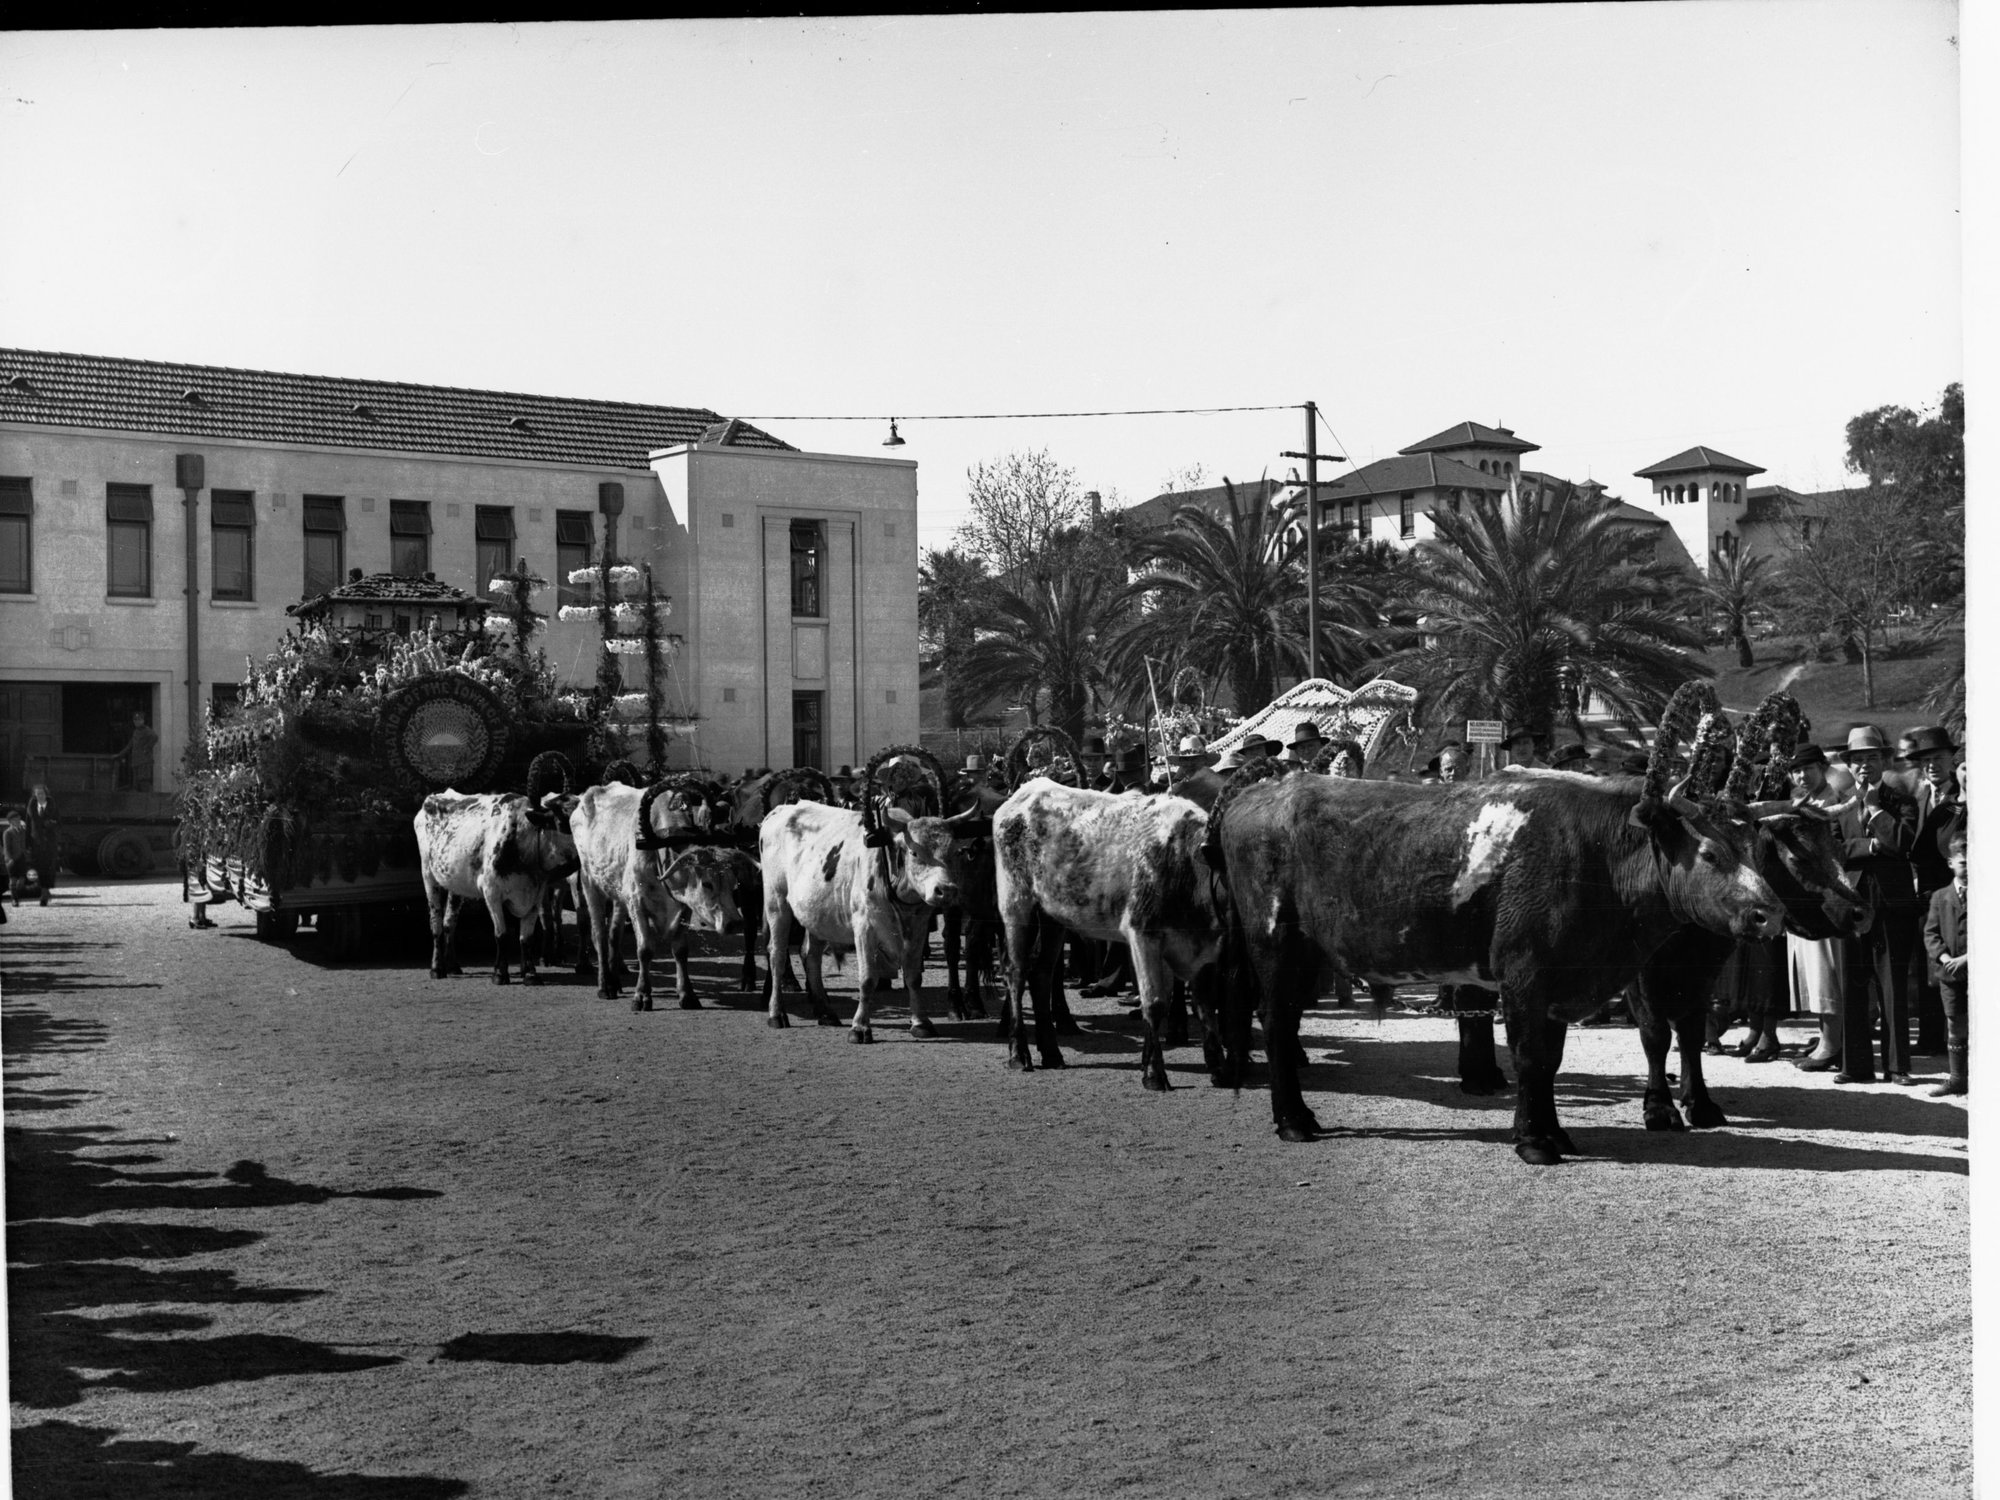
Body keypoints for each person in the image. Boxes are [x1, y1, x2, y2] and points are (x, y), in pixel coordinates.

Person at [1835, 723, 1920, 1085]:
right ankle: (1855, 1066)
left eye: (1871, 758)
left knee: (1892, 983)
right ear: (1850, 765)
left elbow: (1903, 841)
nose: (1864, 765)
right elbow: (1834, 849)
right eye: (1858, 760)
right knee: (1853, 983)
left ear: (1883, 761)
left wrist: (1876, 812)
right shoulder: (1840, 804)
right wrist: (1869, 847)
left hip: (1891, 902)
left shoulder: (1900, 801)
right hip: (1852, 902)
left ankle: (1897, 1066)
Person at [1899, 725, 1961, 1055]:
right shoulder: (1920, 798)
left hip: (1950, 895)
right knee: (1926, 965)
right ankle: (1930, 1037)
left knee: (1950, 967)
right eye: (1926, 760)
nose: (1932, 765)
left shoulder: (1961, 799)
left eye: (1938, 758)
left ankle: (1956, 1041)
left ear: (1952, 759)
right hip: (1922, 896)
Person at [1787, 745, 1849, 1070]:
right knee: (1812, 970)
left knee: (1827, 970)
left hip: (1826, 896)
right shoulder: (1802, 800)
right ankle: (1824, 1036)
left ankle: (1832, 1044)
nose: (1801, 775)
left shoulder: (1834, 802)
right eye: (1796, 770)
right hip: (1805, 897)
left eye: (1807, 769)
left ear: (1822, 767)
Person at [1922, 830, 1968, 1097]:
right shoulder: (1940, 896)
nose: (1968, 868)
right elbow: (1930, 933)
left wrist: (1969, 957)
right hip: (1950, 973)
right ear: (1951, 863)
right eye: (1963, 862)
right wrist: (1946, 958)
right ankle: (1957, 1078)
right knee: (1954, 1023)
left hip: (1978, 971)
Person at [116, 711, 159, 791]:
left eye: (139, 719)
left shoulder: (146, 730)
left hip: (144, 762)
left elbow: (155, 737)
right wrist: (120, 754)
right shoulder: (136, 732)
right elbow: (130, 744)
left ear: (143, 720)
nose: (136, 722)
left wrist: (147, 748)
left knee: (144, 782)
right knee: (136, 784)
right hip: (136, 761)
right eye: (135, 720)